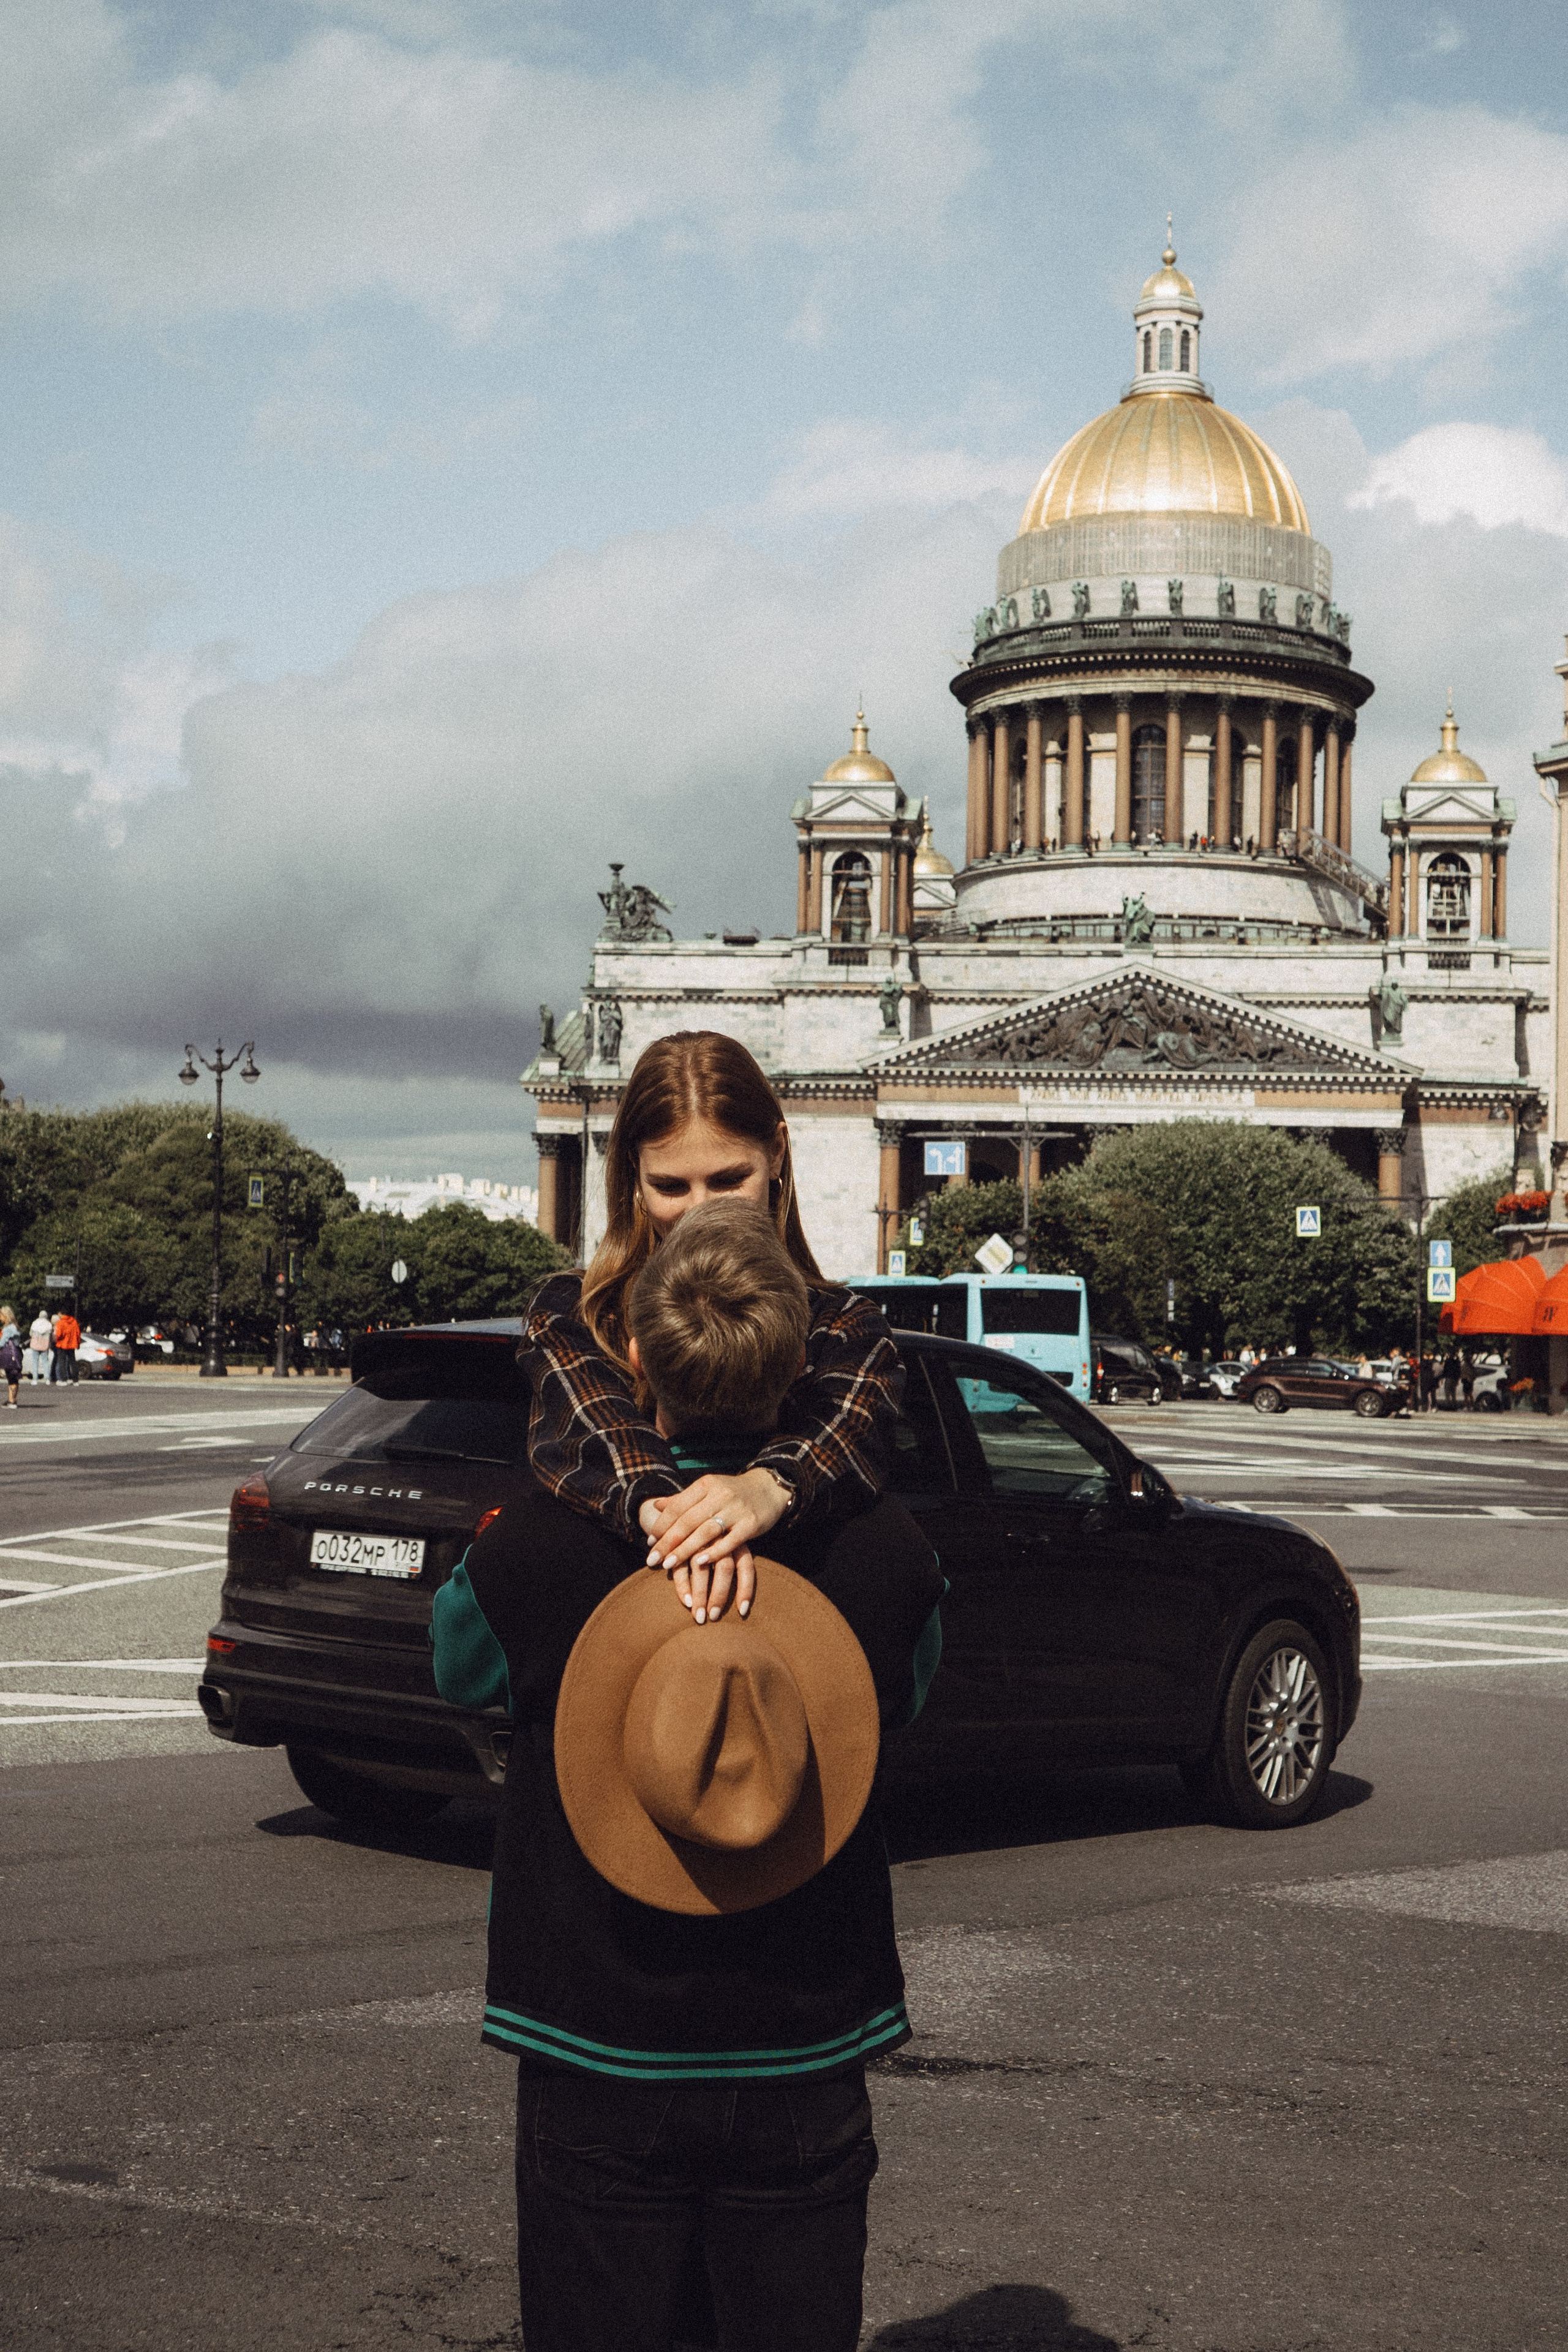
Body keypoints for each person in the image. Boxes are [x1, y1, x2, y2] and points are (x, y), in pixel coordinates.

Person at [437, 1200, 943, 2352]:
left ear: (634, 1361)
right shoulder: (881, 1548)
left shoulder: (545, 1541)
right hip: (806, 2035)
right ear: (799, 1367)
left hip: (594, 2030)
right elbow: (904, 1701)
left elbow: (459, 1668)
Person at [521, 1029, 905, 1627]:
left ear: (777, 1154)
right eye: (670, 1186)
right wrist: (694, 1523)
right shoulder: (578, 1312)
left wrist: (771, 1486)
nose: (701, 1211)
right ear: (633, 1175)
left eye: (728, 1180)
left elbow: (852, 1422)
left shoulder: (844, 1323)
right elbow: (593, 1423)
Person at [51, 1307, 80, 1384]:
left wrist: (56, 1339)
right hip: (72, 1344)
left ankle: (64, 1380)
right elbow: (78, 1333)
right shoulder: (74, 1321)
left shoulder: (60, 1322)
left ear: (61, 1314)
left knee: (62, 1362)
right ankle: (76, 1380)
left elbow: (59, 1334)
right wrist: (78, 1343)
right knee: (73, 1362)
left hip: (62, 1345)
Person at [0, 1306, 21, 1408]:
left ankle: (12, 1401)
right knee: (14, 1377)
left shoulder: (8, 1329)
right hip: (16, 1354)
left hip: (9, 1355)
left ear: (6, 1316)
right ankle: (11, 1399)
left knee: (11, 1377)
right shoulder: (15, 1327)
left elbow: (2, 1343)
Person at [27, 1309, 51, 1385]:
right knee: (45, 1362)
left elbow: (31, 1334)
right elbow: (51, 1335)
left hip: (35, 1345)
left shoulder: (35, 1323)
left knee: (35, 1362)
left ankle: (35, 1379)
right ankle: (47, 1379)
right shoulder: (49, 1324)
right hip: (45, 1345)